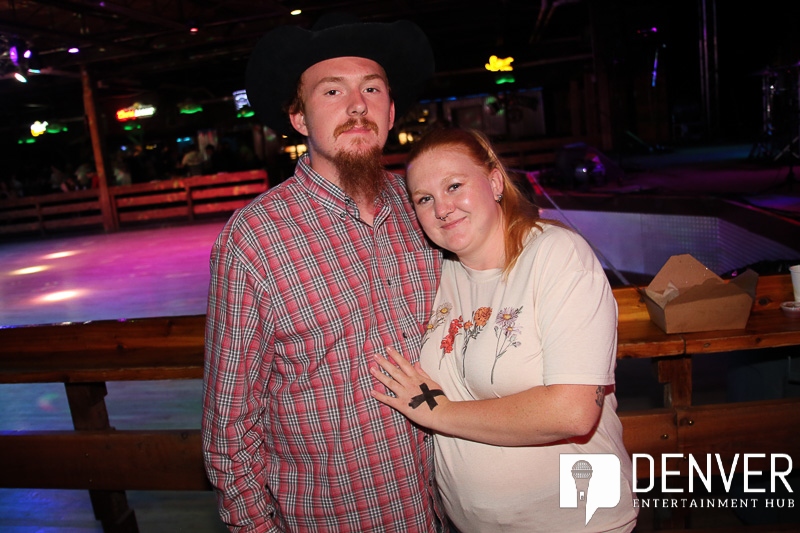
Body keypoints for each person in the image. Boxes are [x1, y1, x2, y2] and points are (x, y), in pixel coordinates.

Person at [201, 14, 445, 533]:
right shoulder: (255, 240)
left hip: (448, 507)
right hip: (337, 518)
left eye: (372, 88)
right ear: (299, 118)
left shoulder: (425, 208)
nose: (357, 106)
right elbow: (230, 426)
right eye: (333, 91)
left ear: (390, 110)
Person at [370, 128, 638, 533]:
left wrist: (437, 412)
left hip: (577, 520)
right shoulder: (440, 272)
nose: (442, 208)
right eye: (424, 199)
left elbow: (574, 412)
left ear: (495, 182)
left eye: (454, 186)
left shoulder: (555, 254)